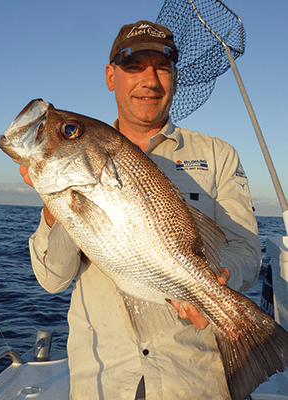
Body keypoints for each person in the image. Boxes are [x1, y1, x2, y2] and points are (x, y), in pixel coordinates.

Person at [20, 21, 261, 400]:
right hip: (104, 380)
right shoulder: (72, 174)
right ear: (110, 76)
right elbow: (52, 280)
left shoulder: (218, 155)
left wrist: (218, 282)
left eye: (162, 67)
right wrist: (55, 207)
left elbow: (247, 249)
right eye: (134, 67)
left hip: (195, 379)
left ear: (175, 77)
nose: (150, 80)